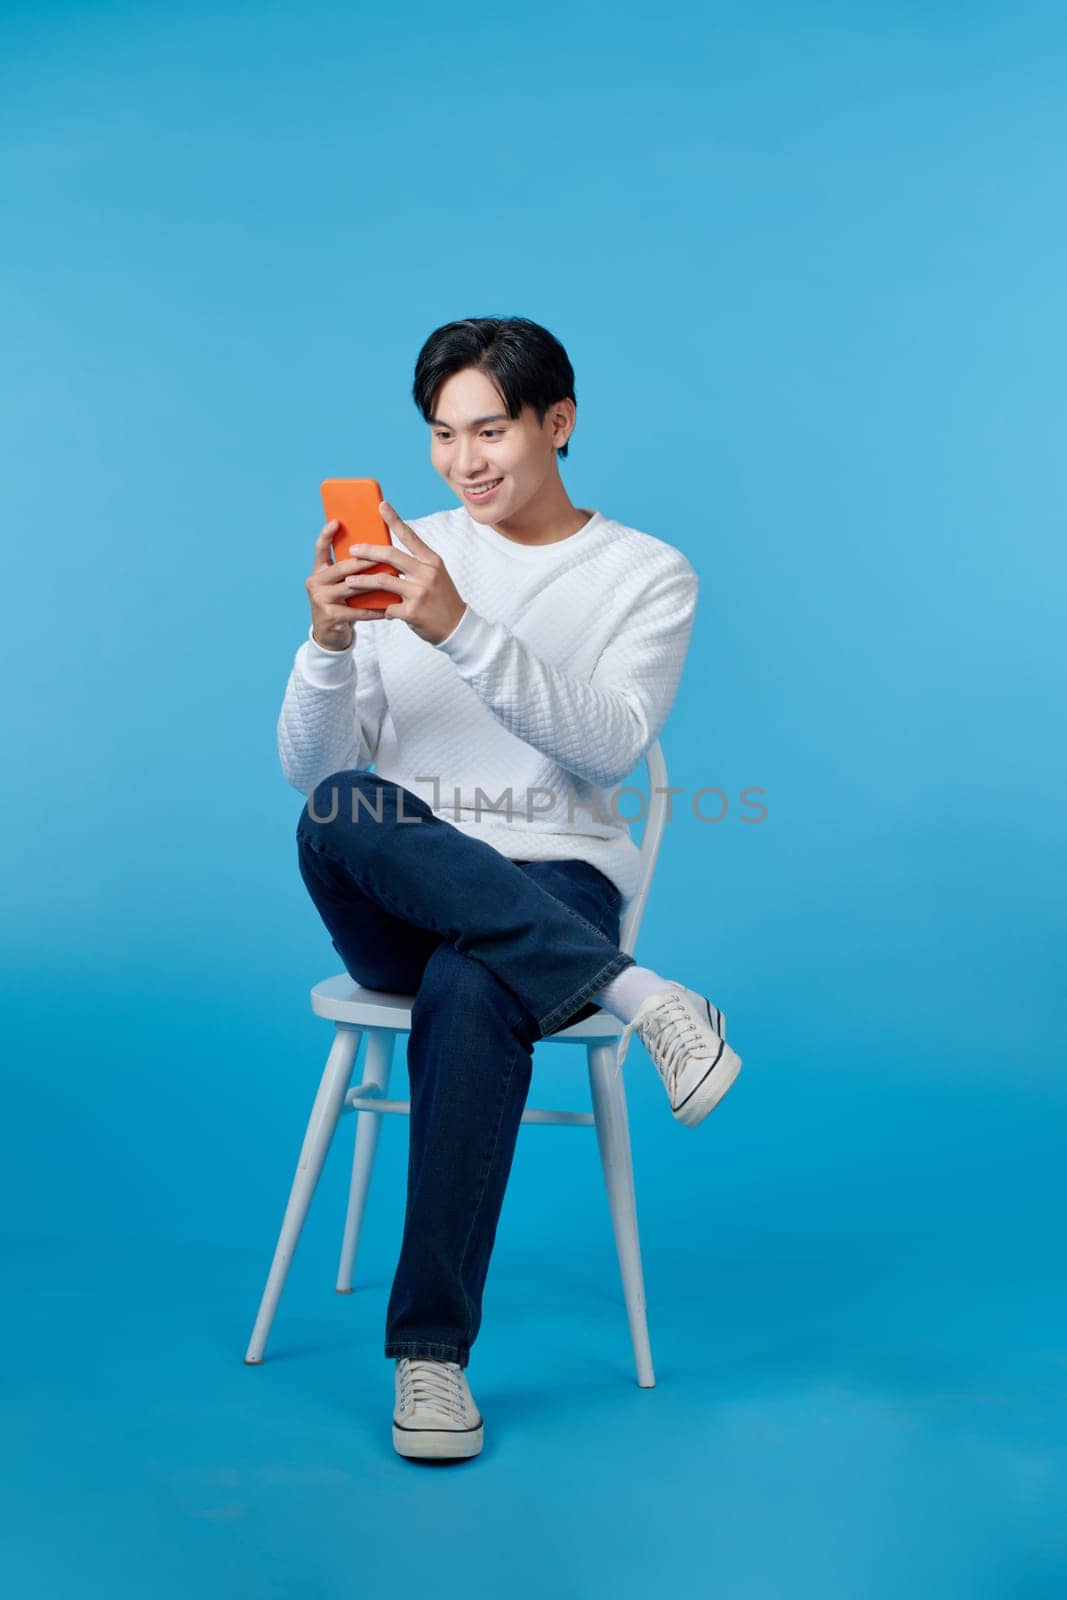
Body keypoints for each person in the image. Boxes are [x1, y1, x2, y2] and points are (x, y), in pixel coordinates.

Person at [277, 315, 742, 1462]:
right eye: (443, 435)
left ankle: (428, 1363)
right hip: (401, 883)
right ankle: (641, 998)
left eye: (490, 429)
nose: (465, 461)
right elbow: (318, 773)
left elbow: (606, 748)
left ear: (557, 423)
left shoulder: (646, 574)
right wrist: (329, 644)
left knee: (475, 981)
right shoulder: (405, 545)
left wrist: (458, 625)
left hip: (554, 880)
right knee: (341, 807)